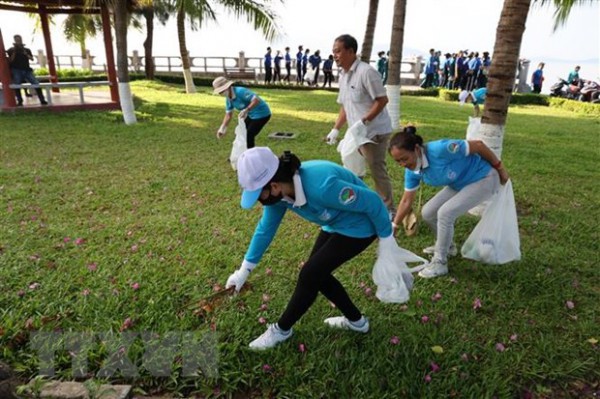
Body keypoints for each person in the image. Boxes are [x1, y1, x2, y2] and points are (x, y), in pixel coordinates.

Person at [225, 147, 394, 349]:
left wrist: (386, 238)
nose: (259, 201)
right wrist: (243, 271)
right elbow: (265, 230)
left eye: (258, 195)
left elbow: (373, 202)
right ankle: (357, 323)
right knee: (316, 275)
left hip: (361, 226)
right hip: (335, 223)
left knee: (310, 274)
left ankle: (281, 330)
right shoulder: (280, 196)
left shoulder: (322, 186)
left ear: (275, 185)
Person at [389, 126, 509, 278]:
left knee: (445, 213)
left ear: (416, 149)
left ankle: (440, 262)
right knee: (428, 212)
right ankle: (448, 246)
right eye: (398, 161)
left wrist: (500, 168)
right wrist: (394, 225)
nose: (402, 164)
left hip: (484, 177)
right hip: (459, 183)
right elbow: (406, 200)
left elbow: (478, 145)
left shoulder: (440, 149)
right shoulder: (412, 171)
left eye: (404, 158)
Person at [325, 34, 395, 216]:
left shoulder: (366, 72)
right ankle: (359, 203)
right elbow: (345, 106)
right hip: (356, 133)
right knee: (353, 167)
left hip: (374, 132)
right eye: (333, 52)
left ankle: (388, 210)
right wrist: (336, 129)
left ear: (351, 51)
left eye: (338, 51)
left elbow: (382, 100)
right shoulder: (343, 76)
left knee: (376, 169)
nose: (335, 55)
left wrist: (364, 122)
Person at [212, 77, 271, 149]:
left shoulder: (240, 91)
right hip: (251, 114)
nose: (221, 94)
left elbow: (256, 100)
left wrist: (247, 110)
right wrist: (222, 128)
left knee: (249, 134)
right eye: (219, 92)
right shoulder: (229, 99)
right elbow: (228, 115)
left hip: (262, 113)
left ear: (227, 87)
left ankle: (250, 156)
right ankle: (241, 154)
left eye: (221, 91)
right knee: (241, 132)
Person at [6, 34, 47, 106]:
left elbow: (31, 59)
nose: (18, 41)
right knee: (17, 85)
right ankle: (19, 101)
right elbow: (10, 61)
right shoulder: (11, 50)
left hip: (27, 69)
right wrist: (14, 52)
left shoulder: (27, 49)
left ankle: (42, 100)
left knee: (35, 83)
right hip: (16, 70)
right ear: (14, 40)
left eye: (19, 40)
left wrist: (25, 54)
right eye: (17, 40)